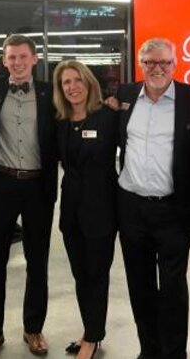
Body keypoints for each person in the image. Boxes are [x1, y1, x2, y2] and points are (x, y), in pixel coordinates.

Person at [115, 38, 190, 359]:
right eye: (150, 62)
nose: (158, 68)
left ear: (174, 65)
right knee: (139, 287)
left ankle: (174, 353)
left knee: (173, 291)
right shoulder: (125, 97)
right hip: (131, 209)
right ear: (141, 64)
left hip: (173, 211)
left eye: (164, 62)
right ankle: (148, 351)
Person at [0, 34, 58, 358]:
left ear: (34, 59)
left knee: (38, 262)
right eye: (12, 57)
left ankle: (33, 329)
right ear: (4, 60)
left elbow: (80, 109)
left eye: (23, 57)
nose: (18, 63)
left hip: (38, 187)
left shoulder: (51, 92)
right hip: (1, 186)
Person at [51, 60, 118, 359]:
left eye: (77, 80)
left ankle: (92, 337)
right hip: (71, 211)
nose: (72, 87)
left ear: (89, 82)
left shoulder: (108, 117)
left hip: (102, 210)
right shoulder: (61, 120)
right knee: (81, 275)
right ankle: (90, 330)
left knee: (97, 275)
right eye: (66, 82)